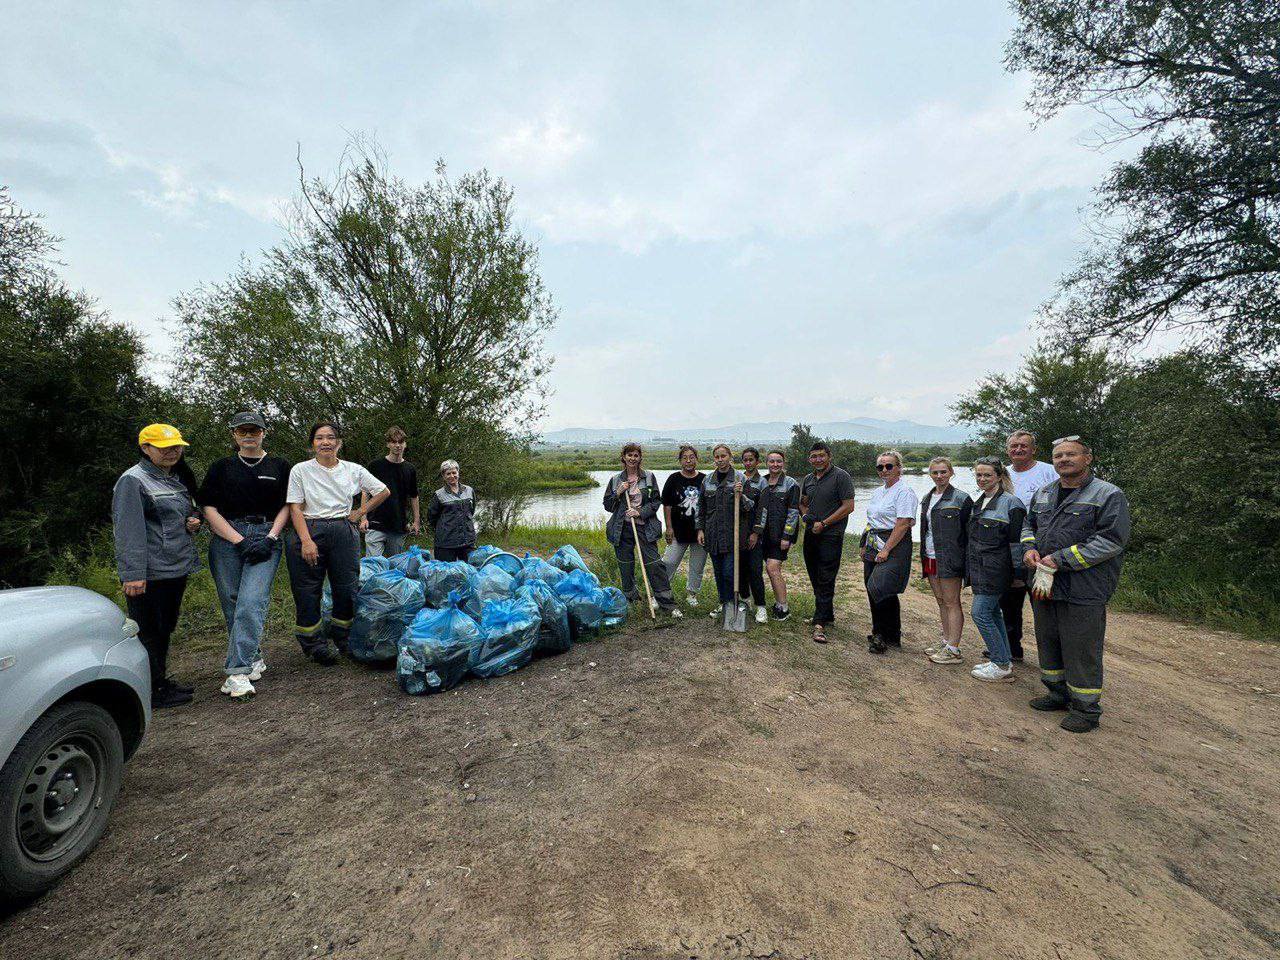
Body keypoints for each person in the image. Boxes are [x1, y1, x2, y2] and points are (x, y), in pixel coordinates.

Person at [1022, 437, 1131, 733]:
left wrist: (1061, 558)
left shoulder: (1108, 495)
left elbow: (1111, 540)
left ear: (1088, 458)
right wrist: (1029, 548)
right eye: (1058, 455)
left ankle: (1086, 710)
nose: (1064, 459)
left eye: (1071, 454)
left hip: (1085, 585)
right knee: (1049, 639)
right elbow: (1028, 526)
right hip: (1044, 582)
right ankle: (1057, 693)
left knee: (1081, 646)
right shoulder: (1043, 493)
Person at [198, 411, 292, 699]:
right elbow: (208, 508)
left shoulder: (279, 466)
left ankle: (236, 672)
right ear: (234, 435)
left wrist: (272, 536)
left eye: (254, 430)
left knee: (252, 601)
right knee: (233, 601)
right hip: (228, 537)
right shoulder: (221, 467)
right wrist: (237, 540)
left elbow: (289, 504)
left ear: (264, 432)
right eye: (242, 431)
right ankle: (253, 657)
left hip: (266, 535)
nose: (249, 435)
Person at [111, 423, 202, 708]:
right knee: (148, 631)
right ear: (145, 448)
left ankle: (160, 681)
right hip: (150, 572)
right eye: (164, 448)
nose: (172, 452)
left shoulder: (173, 477)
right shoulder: (133, 481)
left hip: (175, 566)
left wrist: (193, 520)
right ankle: (151, 691)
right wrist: (133, 574)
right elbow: (128, 531)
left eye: (176, 446)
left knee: (164, 628)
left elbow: (180, 513)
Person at [285, 422, 389, 665]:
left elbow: (383, 491)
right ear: (312, 443)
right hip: (310, 528)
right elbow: (295, 508)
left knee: (346, 587)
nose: (325, 442)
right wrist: (306, 541)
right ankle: (314, 644)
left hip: (344, 529)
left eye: (331, 437)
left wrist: (360, 511)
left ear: (339, 443)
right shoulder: (300, 470)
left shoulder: (353, 469)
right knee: (307, 589)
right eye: (319, 438)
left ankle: (344, 637)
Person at [965, 457, 1028, 683]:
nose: (982, 479)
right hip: (979, 569)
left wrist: (1019, 574)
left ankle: (1000, 664)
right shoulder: (979, 502)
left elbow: (1017, 543)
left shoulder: (1012, 504)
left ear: (999, 477)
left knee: (980, 613)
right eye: (979, 475)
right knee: (993, 613)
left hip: (997, 571)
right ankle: (1004, 657)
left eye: (987, 475)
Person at [602, 443, 682, 618]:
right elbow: (608, 505)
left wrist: (639, 512)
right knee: (626, 566)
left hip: (645, 528)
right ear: (623, 457)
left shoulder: (649, 477)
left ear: (640, 458)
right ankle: (631, 600)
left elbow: (655, 502)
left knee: (654, 565)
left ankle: (667, 604)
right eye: (629, 455)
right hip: (621, 529)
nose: (632, 458)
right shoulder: (615, 480)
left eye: (636, 455)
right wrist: (618, 492)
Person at [1000, 430, 1059, 660]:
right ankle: (1011, 650)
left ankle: (1051, 657)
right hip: (1010, 548)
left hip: (1040, 547)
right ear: (1008, 450)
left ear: (1033, 449)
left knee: (1042, 604)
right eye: (1014, 446)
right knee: (1009, 603)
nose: (1018, 450)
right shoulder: (1003, 474)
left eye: (1024, 446)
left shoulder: (1048, 471)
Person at [861, 450, 918, 654]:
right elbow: (871, 521)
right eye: (880, 467)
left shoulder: (905, 492)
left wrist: (886, 549)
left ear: (899, 468)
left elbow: (903, 523)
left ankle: (881, 635)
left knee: (880, 585)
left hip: (895, 542)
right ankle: (890, 633)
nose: (884, 470)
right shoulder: (878, 491)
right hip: (873, 540)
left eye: (889, 466)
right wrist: (863, 544)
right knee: (871, 585)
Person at [799, 442, 856, 643]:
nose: (818, 460)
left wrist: (824, 523)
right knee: (814, 575)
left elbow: (849, 506)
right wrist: (806, 517)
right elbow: (802, 502)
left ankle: (820, 623)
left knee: (826, 576)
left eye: (821, 456)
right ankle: (826, 614)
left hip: (831, 535)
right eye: (814, 456)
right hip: (811, 534)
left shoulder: (841, 476)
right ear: (809, 459)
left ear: (829, 456)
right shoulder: (808, 479)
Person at [697, 444, 761, 620]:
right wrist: (700, 529)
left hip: (733, 536)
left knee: (729, 572)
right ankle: (723, 603)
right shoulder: (707, 480)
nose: (720, 460)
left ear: (730, 457)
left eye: (723, 456)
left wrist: (741, 496)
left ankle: (734, 602)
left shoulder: (740, 479)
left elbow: (750, 507)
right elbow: (700, 508)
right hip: (712, 534)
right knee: (718, 572)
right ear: (714, 459)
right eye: (717, 457)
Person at [920, 457, 972, 665]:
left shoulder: (961, 498)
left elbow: (968, 532)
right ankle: (946, 640)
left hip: (950, 557)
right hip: (930, 555)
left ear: (951, 473)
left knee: (952, 602)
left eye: (943, 472)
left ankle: (954, 648)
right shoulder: (927, 497)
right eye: (935, 472)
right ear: (930, 474)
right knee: (941, 600)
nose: (939, 476)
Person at [361, 426, 420, 558]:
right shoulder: (375, 466)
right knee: (374, 566)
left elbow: (414, 496)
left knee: (395, 568)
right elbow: (365, 492)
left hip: (398, 525)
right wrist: (363, 518)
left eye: (401, 442)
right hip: (375, 523)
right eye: (394, 442)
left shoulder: (410, 469)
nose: (397, 445)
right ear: (388, 444)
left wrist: (416, 521)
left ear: (405, 444)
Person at [661, 445, 708, 605]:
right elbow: (667, 504)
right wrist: (669, 527)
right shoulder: (673, 479)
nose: (688, 461)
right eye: (685, 458)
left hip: (700, 531)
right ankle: (660, 593)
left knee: (697, 566)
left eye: (691, 457)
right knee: (669, 562)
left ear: (697, 459)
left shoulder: (705, 479)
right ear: (680, 460)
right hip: (677, 530)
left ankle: (692, 594)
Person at [760, 450, 801, 621]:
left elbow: (793, 513)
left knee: (773, 568)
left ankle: (783, 607)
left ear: (784, 463)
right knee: (768, 570)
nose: (775, 465)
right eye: (772, 461)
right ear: (766, 463)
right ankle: (776, 603)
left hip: (779, 536)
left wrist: (787, 536)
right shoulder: (761, 481)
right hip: (762, 535)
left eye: (778, 461)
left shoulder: (791, 484)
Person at [737, 448, 769, 624]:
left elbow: (763, 510)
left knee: (755, 571)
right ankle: (745, 600)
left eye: (751, 460)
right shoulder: (737, 479)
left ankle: (761, 607)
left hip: (754, 534)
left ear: (757, 462)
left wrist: (756, 533)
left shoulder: (762, 483)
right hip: (738, 533)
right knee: (740, 569)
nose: (748, 463)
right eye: (745, 460)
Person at [426, 460, 477, 562]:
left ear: (458, 473)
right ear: (443, 476)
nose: (452, 476)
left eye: (454, 472)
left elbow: (471, 511)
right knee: (446, 574)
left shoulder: (469, 490)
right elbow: (432, 517)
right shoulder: (439, 494)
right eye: (448, 473)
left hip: (468, 540)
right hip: (446, 543)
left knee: (471, 572)